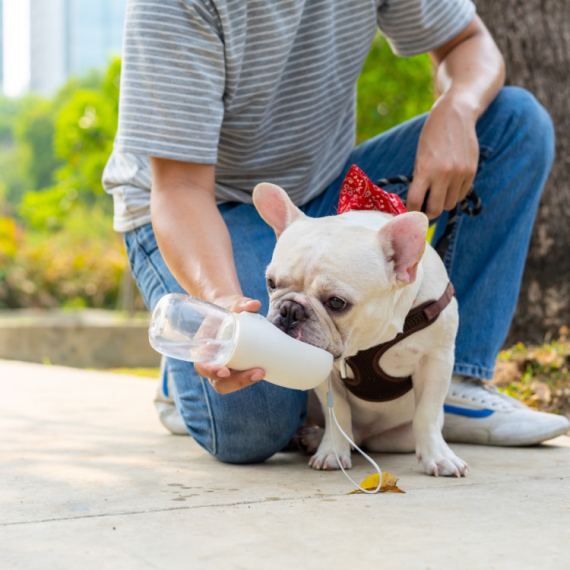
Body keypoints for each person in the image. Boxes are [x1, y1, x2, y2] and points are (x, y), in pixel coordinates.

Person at [103, 0, 569, 463]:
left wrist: (457, 107)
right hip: (200, 204)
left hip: (326, 190)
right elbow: (180, 187)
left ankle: (456, 379)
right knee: (253, 423)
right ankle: (183, 367)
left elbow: (468, 43)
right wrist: (224, 303)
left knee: (512, 123)